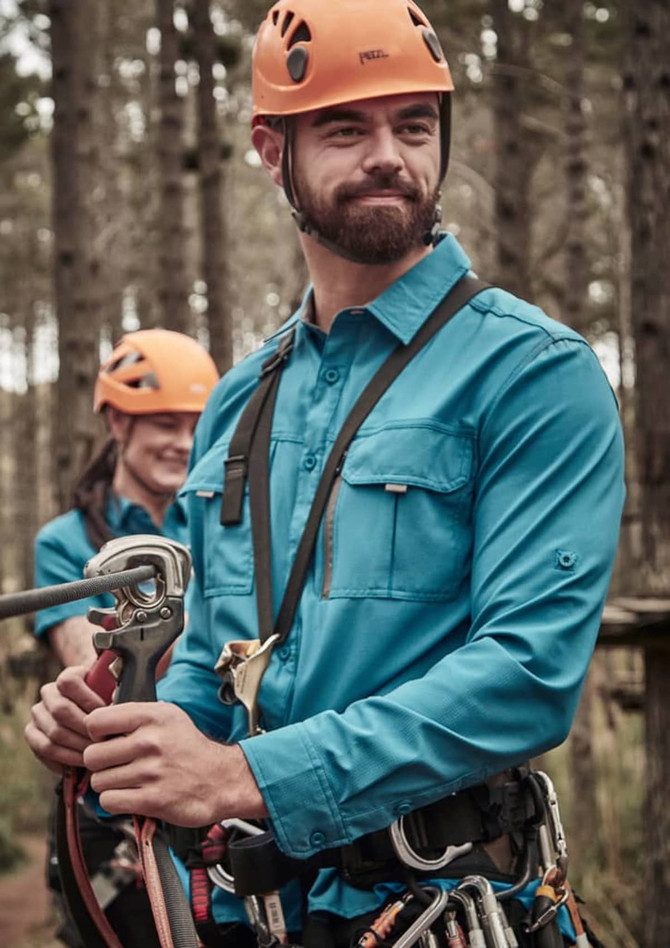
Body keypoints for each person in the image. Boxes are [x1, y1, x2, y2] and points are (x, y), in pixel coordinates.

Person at [26, 2, 625, 947]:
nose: (389, 155)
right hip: (240, 914)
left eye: (414, 126)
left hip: (440, 911)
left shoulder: (532, 374)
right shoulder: (239, 404)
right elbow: (210, 662)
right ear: (273, 151)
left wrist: (246, 779)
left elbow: (527, 676)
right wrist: (124, 731)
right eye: (347, 128)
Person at [31, 328, 219, 947]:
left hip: (218, 803)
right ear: (117, 421)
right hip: (114, 819)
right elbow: (93, 672)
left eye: (196, 423)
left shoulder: (227, 526)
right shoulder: (67, 543)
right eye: (164, 422)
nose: (183, 443)